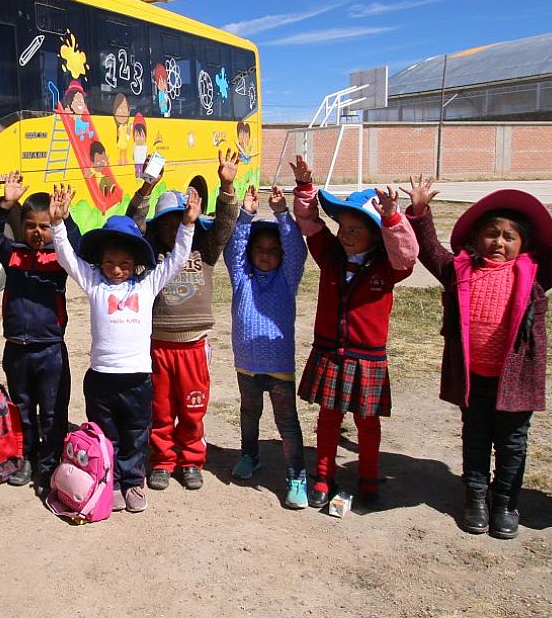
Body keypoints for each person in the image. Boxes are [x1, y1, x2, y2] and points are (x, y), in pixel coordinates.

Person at [405, 176, 552, 538]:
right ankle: (476, 499)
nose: (498, 242)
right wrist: (420, 212)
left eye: (509, 236)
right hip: (474, 375)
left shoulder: (535, 274)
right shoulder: (459, 271)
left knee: (513, 442)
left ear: (523, 244)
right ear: (475, 238)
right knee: (476, 437)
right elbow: (430, 250)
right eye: (491, 234)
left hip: (515, 377)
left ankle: (505, 502)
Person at [51, 184, 199, 513]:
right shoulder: (94, 283)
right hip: (102, 378)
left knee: (135, 434)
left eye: (124, 263)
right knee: (106, 434)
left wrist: (188, 226)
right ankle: (112, 481)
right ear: (100, 261)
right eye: (109, 261)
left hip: (137, 380)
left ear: (135, 263)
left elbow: (176, 260)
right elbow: (67, 259)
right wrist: (58, 225)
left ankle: (133, 482)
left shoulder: (146, 285)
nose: (116, 269)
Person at [291, 155, 418, 509]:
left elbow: (408, 253)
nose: (344, 235)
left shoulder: (388, 268)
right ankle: (323, 475)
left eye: (354, 230)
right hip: (331, 351)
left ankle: (369, 477)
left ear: (376, 237)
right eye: (343, 228)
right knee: (328, 419)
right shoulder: (330, 254)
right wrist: (305, 187)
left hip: (367, 358)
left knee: (367, 423)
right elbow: (309, 221)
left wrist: (393, 217)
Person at [128, 150, 240, 491]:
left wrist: (227, 186)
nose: (173, 226)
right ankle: (162, 461)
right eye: (167, 221)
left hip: (193, 346)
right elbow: (133, 223)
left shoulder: (204, 249)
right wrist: (147, 189)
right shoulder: (148, 253)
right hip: (158, 346)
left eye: (180, 219)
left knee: (193, 410)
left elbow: (225, 224)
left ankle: (191, 460)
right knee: (160, 409)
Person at [0, 172, 82, 489]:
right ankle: (25, 459)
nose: (37, 232)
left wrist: (64, 221)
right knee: (22, 410)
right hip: (16, 350)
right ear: (22, 225)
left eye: (44, 226)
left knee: (53, 412)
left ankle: (50, 463)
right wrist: (5, 204)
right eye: (31, 225)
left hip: (50, 350)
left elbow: (77, 248)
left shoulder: (60, 257)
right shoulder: (12, 253)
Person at [225, 184, 308, 508]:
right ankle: (250, 455)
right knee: (249, 412)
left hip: (278, 366)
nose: (264, 253)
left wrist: (281, 213)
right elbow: (234, 249)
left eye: (273, 250)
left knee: (286, 421)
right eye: (258, 248)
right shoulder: (242, 278)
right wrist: (246, 214)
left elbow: (296, 250)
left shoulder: (287, 280)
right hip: (246, 362)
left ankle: (297, 475)